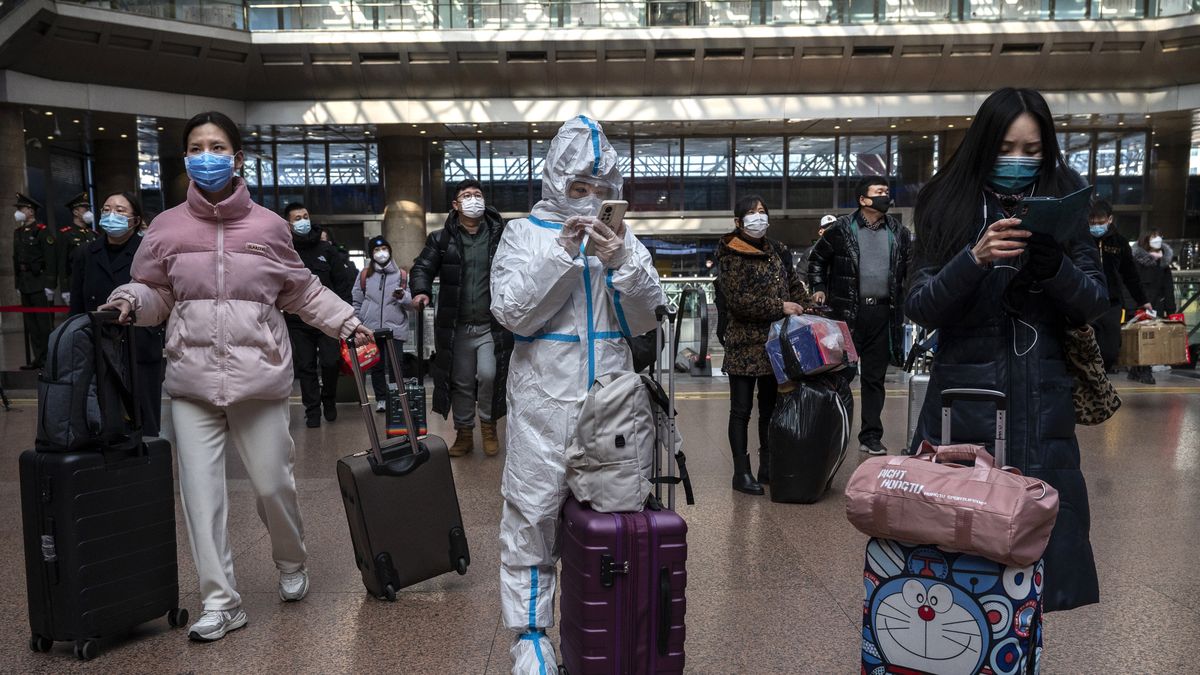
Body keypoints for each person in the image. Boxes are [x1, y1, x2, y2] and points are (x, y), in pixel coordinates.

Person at [100, 111, 373, 642]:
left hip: (259, 380)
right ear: (185, 159)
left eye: (217, 146)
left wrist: (350, 322)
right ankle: (221, 601)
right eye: (198, 147)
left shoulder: (269, 227)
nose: (208, 156)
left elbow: (301, 291)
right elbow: (155, 291)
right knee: (200, 498)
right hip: (191, 383)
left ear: (238, 157)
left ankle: (291, 561)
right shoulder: (166, 228)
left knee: (274, 487)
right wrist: (131, 300)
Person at [905, 87, 1108, 613]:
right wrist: (974, 259)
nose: (1020, 161)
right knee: (956, 574)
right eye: (1007, 147)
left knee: (1038, 574)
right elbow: (921, 305)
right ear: (983, 143)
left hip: (1043, 409)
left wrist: (1055, 267)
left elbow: (1093, 302)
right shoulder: (946, 202)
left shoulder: (1065, 200)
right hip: (963, 408)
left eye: (1033, 149)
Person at [490, 116, 664, 674]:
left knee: (612, 523)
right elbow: (514, 313)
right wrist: (562, 257)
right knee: (532, 521)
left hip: (610, 407)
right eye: (578, 189)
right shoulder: (524, 234)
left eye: (600, 190)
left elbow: (645, 319)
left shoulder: (623, 242)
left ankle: (609, 628)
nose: (589, 201)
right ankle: (532, 637)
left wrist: (621, 262)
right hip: (542, 407)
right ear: (557, 183)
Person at [807, 176, 912, 456]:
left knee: (874, 379)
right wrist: (818, 288)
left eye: (887, 192)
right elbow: (817, 259)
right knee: (842, 376)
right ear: (863, 200)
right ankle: (835, 432)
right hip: (848, 314)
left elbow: (910, 270)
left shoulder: (898, 232)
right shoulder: (842, 229)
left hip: (883, 313)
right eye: (879, 192)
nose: (885, 197)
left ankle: (871, 436)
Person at [410, 178, 512, 457]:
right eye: (466, 195)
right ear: (455, 205)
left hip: (492, 325)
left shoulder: (499, 235)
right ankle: (464, 433)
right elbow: (422, 267)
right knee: (462, 381)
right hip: (457, 327)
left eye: (477, 194)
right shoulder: (441, 239)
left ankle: (489, 426)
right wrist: (420, 290)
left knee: (490, 375)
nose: (473, 200)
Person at [716, 194, 808, 494]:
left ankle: (767, 466)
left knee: (770, 408)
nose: (759, 217)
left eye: (762, 212)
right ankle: (740, 473)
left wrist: (805, 303)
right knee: (741, 411)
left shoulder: (778, 250)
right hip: (744, 343)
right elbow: (739, 301)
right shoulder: (731, 253)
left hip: (774, 344)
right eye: (752, 213)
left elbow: (793, 283)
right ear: (738, 221)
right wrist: (780, 306)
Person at [69, 191, 165, 436]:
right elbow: (78, 304)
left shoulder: (150, 251)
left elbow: (161, 295)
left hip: (140, 343)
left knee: (144, 418)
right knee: (104, 417)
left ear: (135, 219)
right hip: (98, 345)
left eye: (121, 210)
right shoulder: (86, 253)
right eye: (107, 209)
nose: (113, 215)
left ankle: (147, 466)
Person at [283, 202, 356, 427]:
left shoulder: (326, 249)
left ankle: (329, 400)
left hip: (328, 319)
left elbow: (343, 283)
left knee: (330, 362)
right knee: (305, 365)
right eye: (297, 218)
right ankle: (312, 410)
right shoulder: (285, 250)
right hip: (297, 320)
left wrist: (344, 314)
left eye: (305, 215)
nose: (303, 220)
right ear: (288, 223)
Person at [1087, 199, 1151, 371]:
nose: (1096, 225)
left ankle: (1101, 378)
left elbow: (1130, 275)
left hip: (1111, 303)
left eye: (1100, 222)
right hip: (1085, 302)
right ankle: (1088, 386)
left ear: (1110, 219)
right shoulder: (1081, 240)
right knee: (1084, 350)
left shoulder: (1120, 243)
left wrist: (1143, 300)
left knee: (1109, 351)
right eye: (1092, 222)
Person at [352, 236, 413, 412]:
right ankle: (381, 399)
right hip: (370, 328)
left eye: (384, 249)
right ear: (371, 254)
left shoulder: (401, 275)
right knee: (376, 365)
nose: (381, 253)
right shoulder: (364, 275)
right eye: (377, 250)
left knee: (396, 365)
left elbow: (410, 303)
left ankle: (396, 396)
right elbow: (357, 300)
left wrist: (403, 297)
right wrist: (357, 324)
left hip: (395, 328)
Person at [12, 192, 56, 370]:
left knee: (44, 324)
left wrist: (50, 284)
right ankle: (38, 358)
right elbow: (16, 259)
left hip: (39, 283)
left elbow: (50, 259)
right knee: (31, 324)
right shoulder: (18, 233)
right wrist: (17, 283)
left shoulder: (42, 232)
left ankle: (49, 358)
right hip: (25, 283)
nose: (19, 212)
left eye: (21, 208)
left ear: (30, 211)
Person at [1128, 230, 1177, 384]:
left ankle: (1141, 369)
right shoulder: (1135, 262)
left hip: (1156, 305)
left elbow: (1168, 287)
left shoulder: (1163, 263)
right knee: (1141, 340)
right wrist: (1130, 306)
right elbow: (1128, 283)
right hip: (1139, 307)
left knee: (1151, 339)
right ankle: (1141, 369)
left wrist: (1171, 310)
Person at [57, 191, 97, 307]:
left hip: (92, 282)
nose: (88, 212)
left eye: (88, 208)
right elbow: (62, 263)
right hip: (74, 283)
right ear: (75, 212)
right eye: (84, 209)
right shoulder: (66, 234)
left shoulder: (93, 234)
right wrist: (65, 289)